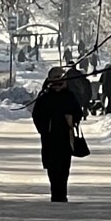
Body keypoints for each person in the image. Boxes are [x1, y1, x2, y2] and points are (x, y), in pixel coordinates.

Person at [30, 65, 86, 203]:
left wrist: (71, 118)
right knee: (52, 167)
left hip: (66, 137)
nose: (58, 85)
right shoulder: (44, 97)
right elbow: (37, 115)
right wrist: (44, 128)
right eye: (55, 81)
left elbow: (78, 113)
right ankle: (56, 192)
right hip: (49, 138)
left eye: (61, 81)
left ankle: (62, 193)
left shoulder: (69, 96)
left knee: (64, 167)